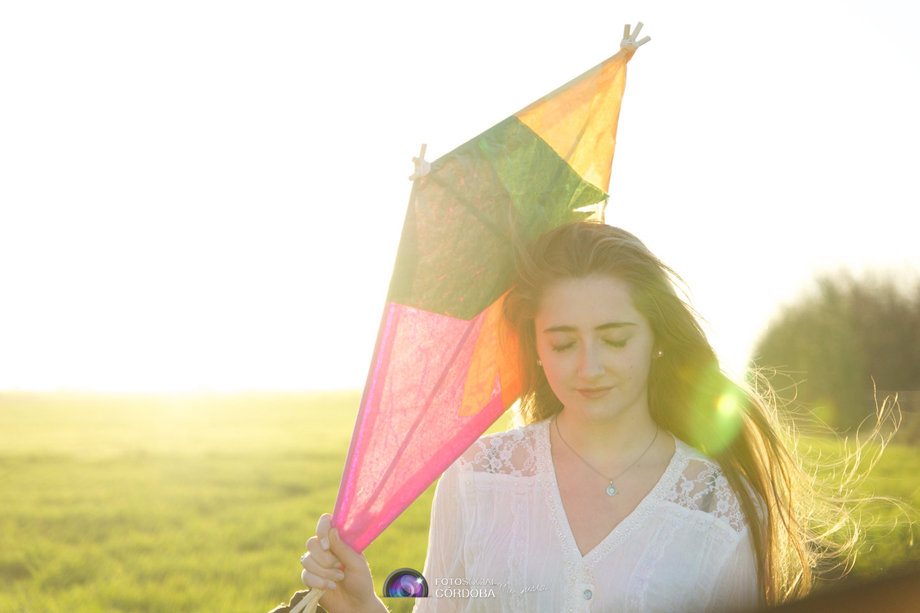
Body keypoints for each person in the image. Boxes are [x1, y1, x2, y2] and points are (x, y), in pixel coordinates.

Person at [293, 221, 864, 613]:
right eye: (563, 343)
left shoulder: (724, 509)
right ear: (535, 349)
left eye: (614, 339)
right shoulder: (476, 478)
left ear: (656, 340)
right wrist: (366, 608)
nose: (589, 366)